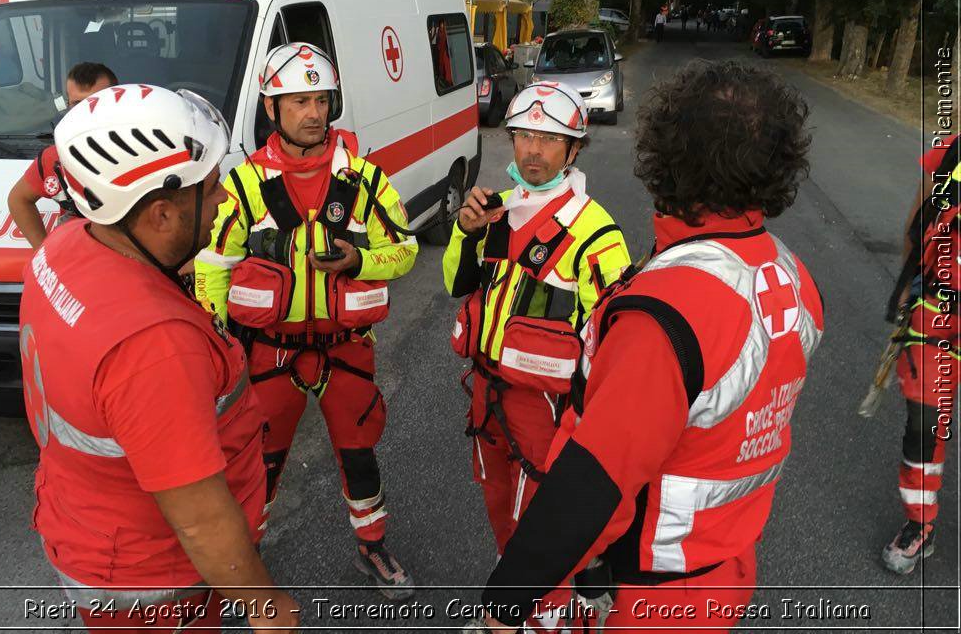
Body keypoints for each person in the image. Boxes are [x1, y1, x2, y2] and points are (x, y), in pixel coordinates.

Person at [469, 61, 823, 634]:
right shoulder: (791, 275)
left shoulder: (666, 312)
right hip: (727, 567)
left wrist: (505, 608)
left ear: (667, 158)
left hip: (651, 597)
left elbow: (593, 486)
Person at [19, 85, 298, 632]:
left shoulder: (66, 243)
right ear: (162, 215)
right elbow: (198, 521)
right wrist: (269, 609)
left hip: (89, 525)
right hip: (157, 587)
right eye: (212, 187)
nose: (224, 201)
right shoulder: (153, 345)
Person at [194, 42, 418, 599]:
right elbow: (212, 269)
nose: (312, 112)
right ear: (272, 108)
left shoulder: (366, 179)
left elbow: (407, 250)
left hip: (346, 348)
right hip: (267, 349)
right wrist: (216, 347)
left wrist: (359, 260)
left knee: (359, 452)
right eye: (297, 101)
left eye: (320, 99)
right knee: (259, 464)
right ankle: (245, 565)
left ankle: (373, 547)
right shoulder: (243, 185)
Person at [443, 81, 631, 630]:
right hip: (488, 400)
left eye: (549, 140)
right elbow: (459, 282)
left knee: (543, 529)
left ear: (573, 151)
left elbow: (613, 350)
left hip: (549, 416)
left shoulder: (597, 235)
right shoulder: (495, 210)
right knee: (501, 513)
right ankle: (512, 599)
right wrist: (463, 229)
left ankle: (542, 618)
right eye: (524, 135)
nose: (532, 151)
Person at [882, 132, 959, 574]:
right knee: (923, 423)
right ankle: (920, 523)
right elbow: (916, 227)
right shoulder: (947, 155)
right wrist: (909, 293)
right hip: (938, 310)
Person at [8, 62, 117, 248]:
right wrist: (42, 252)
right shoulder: (54, 158)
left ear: (117, 101)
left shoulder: (151, 150)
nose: (84, 111)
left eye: (95, 101)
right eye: (77, 103)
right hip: (74, 264)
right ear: (67, 104)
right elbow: (18, 200)